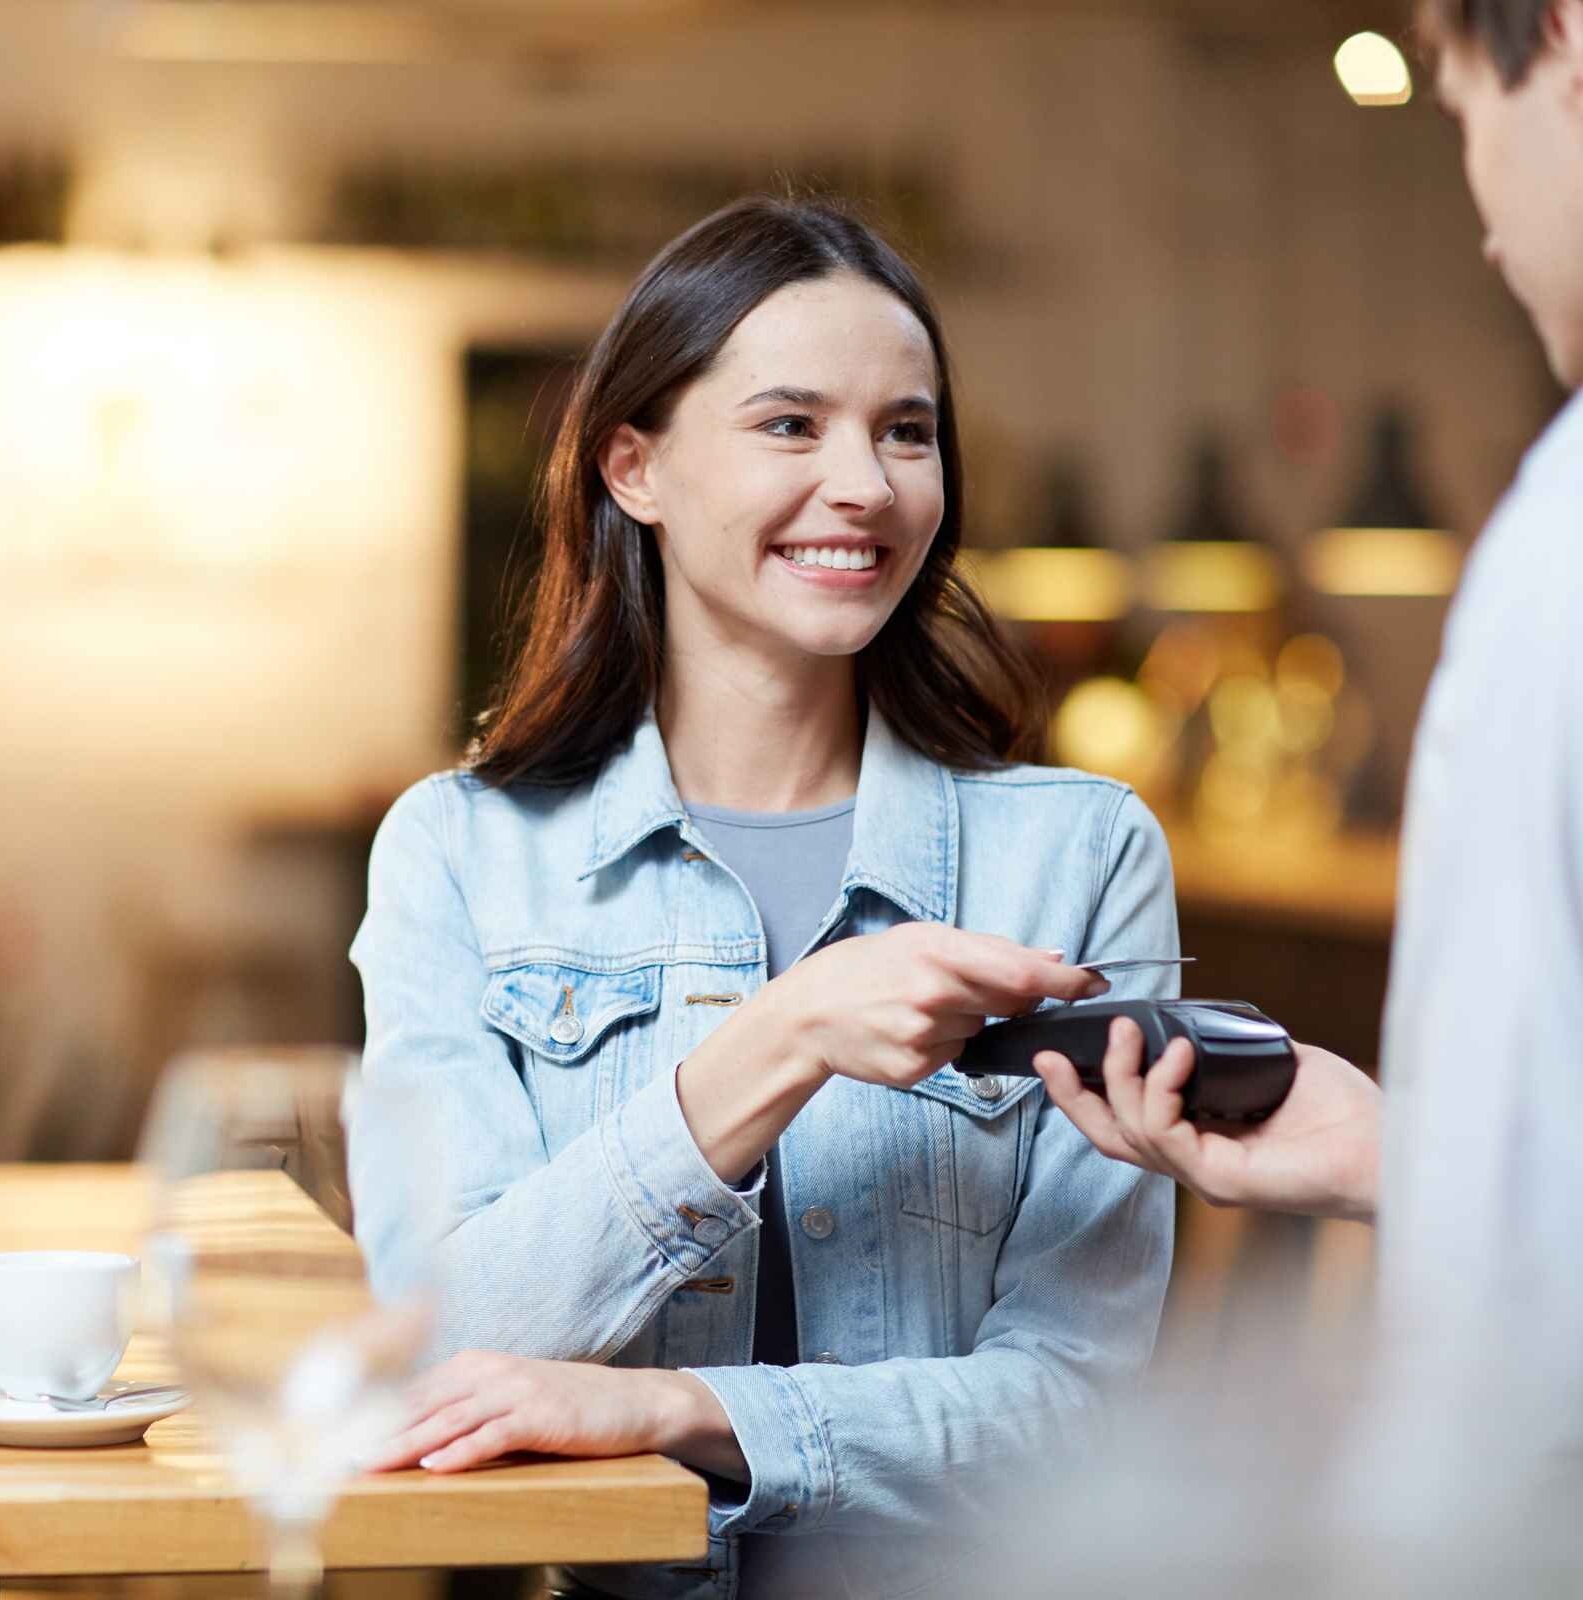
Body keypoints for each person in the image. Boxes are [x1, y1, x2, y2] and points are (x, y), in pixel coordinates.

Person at [348, 197, 1182, 1600]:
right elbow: (435, 1347)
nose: (864, 482)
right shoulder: (459, 852)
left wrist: (693, 1416)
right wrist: (779, 1039)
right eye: (791, 426)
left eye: (905, 431)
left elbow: (1078, 1412)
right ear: (636, 467)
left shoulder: (1080, 858)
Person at [1037, 0, 1583, 1390]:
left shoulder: (1560, 548)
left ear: (1564, 46)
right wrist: (1409, 1159)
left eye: (1463, 117)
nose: (1482, 221)